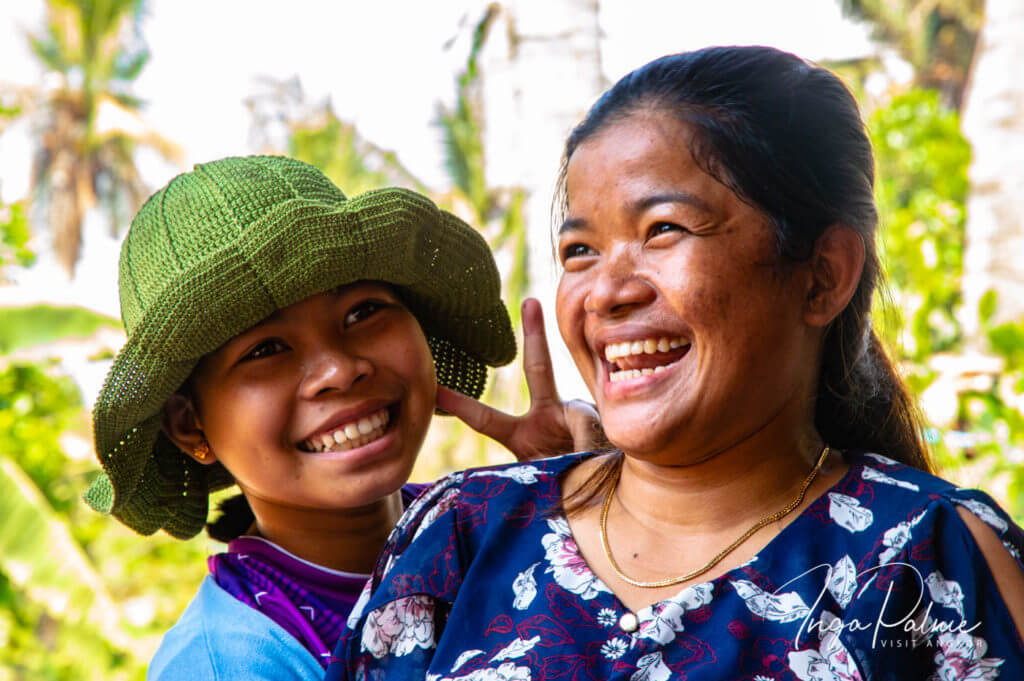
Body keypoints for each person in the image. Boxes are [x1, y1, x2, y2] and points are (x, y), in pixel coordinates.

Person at [327, 47, 1024, 681]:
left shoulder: (935, 563)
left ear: (822, 276)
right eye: (580, 250)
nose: (606, 290)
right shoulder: (462, 534)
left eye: (663, 230)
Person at [83, 155, 599, 680]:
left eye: (363, 312)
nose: (339, 369)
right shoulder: (229, 662)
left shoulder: (487, 522)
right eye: (265, 350)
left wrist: (588, 510)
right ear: (189, 424)